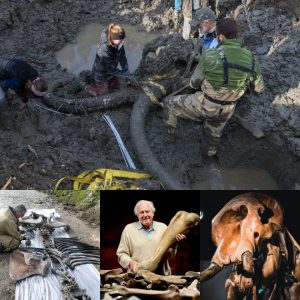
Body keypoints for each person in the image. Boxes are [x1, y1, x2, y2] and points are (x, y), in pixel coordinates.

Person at [163, 18, 264, 156]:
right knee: (213, 135)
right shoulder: (252, 59)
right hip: (228, 110)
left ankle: (169, 136)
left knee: (169, 103)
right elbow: (258, 88)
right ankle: (209, 155)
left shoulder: (211, 55)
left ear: (221, 36)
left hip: (205, 106)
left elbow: (194, 83)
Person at [116, 200, 186, 275]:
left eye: (147, 211)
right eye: (141, 212)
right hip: (137, 278)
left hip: (161, 277)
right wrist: (130, 262)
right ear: (137, 215)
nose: (145, 215)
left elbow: (169, 256)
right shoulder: (129, 229)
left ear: (153, 213)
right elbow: (121, 254)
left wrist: (175, 244)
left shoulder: (163, 227)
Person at [85, 23, 136, 97]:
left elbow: (122, 58)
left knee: (115, 86)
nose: (122, 42)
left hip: (112, 71)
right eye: (120, 40)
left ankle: (111, 83)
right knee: (101, 94)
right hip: (101, 74)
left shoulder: (119, 44)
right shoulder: (103, 50)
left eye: (123, 39)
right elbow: (111, 69)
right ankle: (86, 87)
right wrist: (125, 75)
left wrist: (126, 70)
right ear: (113, 39)